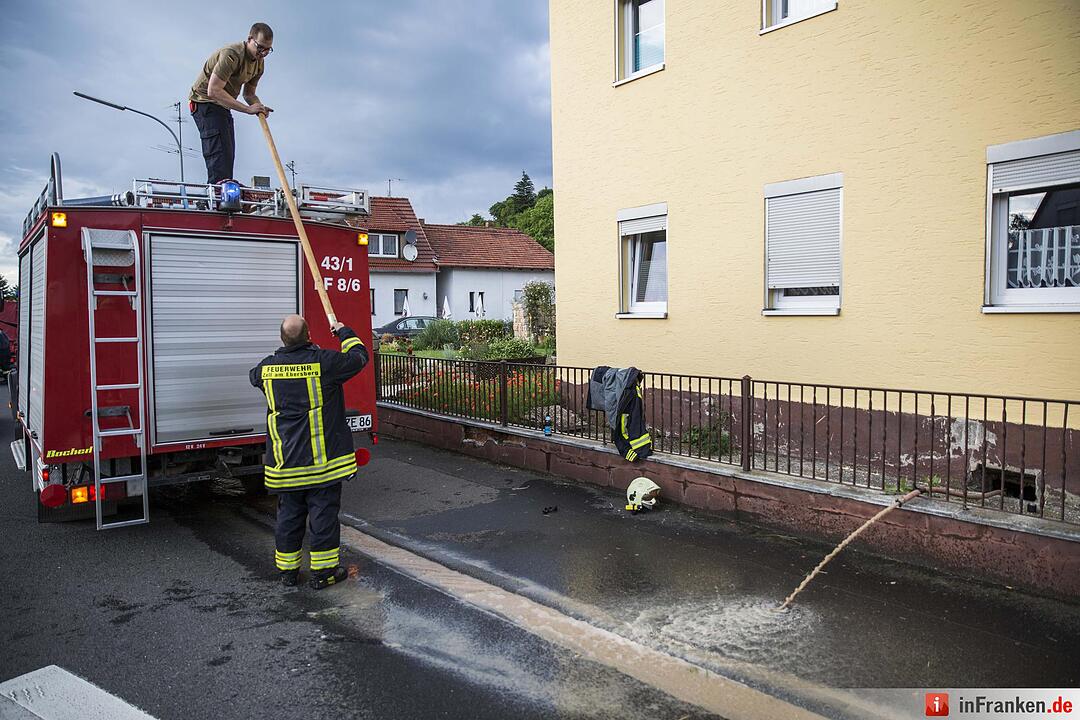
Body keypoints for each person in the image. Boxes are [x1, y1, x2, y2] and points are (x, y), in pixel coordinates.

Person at [249, 315, 368, 589]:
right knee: (323, 517)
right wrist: (343, 331)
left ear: (282, 339)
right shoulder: (324, 363)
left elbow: (253, 375)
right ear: (309, 335)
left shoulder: (266, 369)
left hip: (286, 465)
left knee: (288, 519)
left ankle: (288, 573)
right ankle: (323, 574)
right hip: (321, 465)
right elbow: (359, 357)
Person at [189, 22, 275, 184]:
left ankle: (225, 192)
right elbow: (213, 91)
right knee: (219, 159)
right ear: (249, 39)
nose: (263, 53)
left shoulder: (259, 63)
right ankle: (217, 195)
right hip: (205, 102)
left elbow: (249, 94)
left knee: (227, 156)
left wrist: (259, 107)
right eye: (260, 47)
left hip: (223, 104)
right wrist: (248, 109)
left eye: (267, 50)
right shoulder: (232, 54)